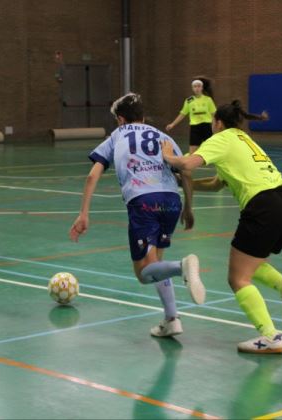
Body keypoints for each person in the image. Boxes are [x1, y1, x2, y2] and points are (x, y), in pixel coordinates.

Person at [161, 100, 282, 354]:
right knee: (247, 261)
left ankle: (270, 336)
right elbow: (216, 184)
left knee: (237, 277)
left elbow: (187, 164)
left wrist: (167, 156)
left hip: (263, 207)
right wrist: (183, 184)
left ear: (217, 122)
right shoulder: (244, 139)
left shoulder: (221, 138)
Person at [69, 93, 206, 337]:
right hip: (171, 201)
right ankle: (172, 319)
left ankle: (182, 267)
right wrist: (188, 207)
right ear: (143, 116)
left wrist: (83, 214)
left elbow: (92, 175)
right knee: (155, 264)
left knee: (144, 274)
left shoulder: (117, 135)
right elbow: (185, 171)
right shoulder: (164, 137)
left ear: (120, 119)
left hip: (143, 202)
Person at [166, 77, 217, 154]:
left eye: (199, 86)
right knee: (192, 152)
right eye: (195, 86)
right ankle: (188, 164)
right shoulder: (189, 100)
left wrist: (214, 127)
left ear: (202, 88)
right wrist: (172, 124)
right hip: (195, 128)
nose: (197, 88)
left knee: (212, 150)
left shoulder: (208, 100)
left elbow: (214, 115)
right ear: (192, 88)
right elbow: (182, 114)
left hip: (206, 127)